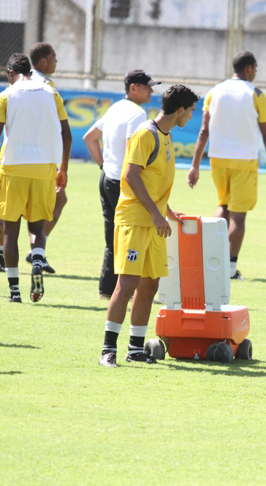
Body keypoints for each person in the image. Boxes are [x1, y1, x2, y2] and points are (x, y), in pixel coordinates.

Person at [98, 84, 199, 368]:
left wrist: (166, 211)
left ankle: (135, 348)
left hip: (154, 222)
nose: (191, 116)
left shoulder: (165, 136)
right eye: (190, 111)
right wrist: (156, 214)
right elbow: (131, 175)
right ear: (180, 110)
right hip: (135, 221)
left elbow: (151, 180)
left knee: (150, 285)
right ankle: (107, 350)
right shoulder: (146, 133)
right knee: (127, 284)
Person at [0, 53, 69, 303]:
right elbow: (67, 134)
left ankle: (14, 291)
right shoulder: (51, 93)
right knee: (37, 227)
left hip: (13, 168)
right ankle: (38, 259)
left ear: (11, 73)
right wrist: (62, 169)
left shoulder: (5, 96)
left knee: (11, 230)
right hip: (45, 168)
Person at [187, 51, 266, 280]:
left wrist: (194, 165)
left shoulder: (214, 92)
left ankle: (212, 260)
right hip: (244, 160)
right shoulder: (256, 94)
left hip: (217, 159)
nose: (256, 73)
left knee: (223, 206)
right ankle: (229, 269)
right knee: (238, 217)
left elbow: (203, 131)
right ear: (248, 68)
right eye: (256, 69)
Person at [83, 69, 158, 299]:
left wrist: (103, 166)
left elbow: (90, 137)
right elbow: (131, 150)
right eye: (147, 86)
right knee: (132, 234)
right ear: (133, 87)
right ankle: (130, 290)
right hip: (123, 181)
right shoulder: (137, 114)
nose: (151, 91)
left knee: (111, 235)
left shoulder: (115, 108)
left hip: (107, 178)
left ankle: (107, 290)